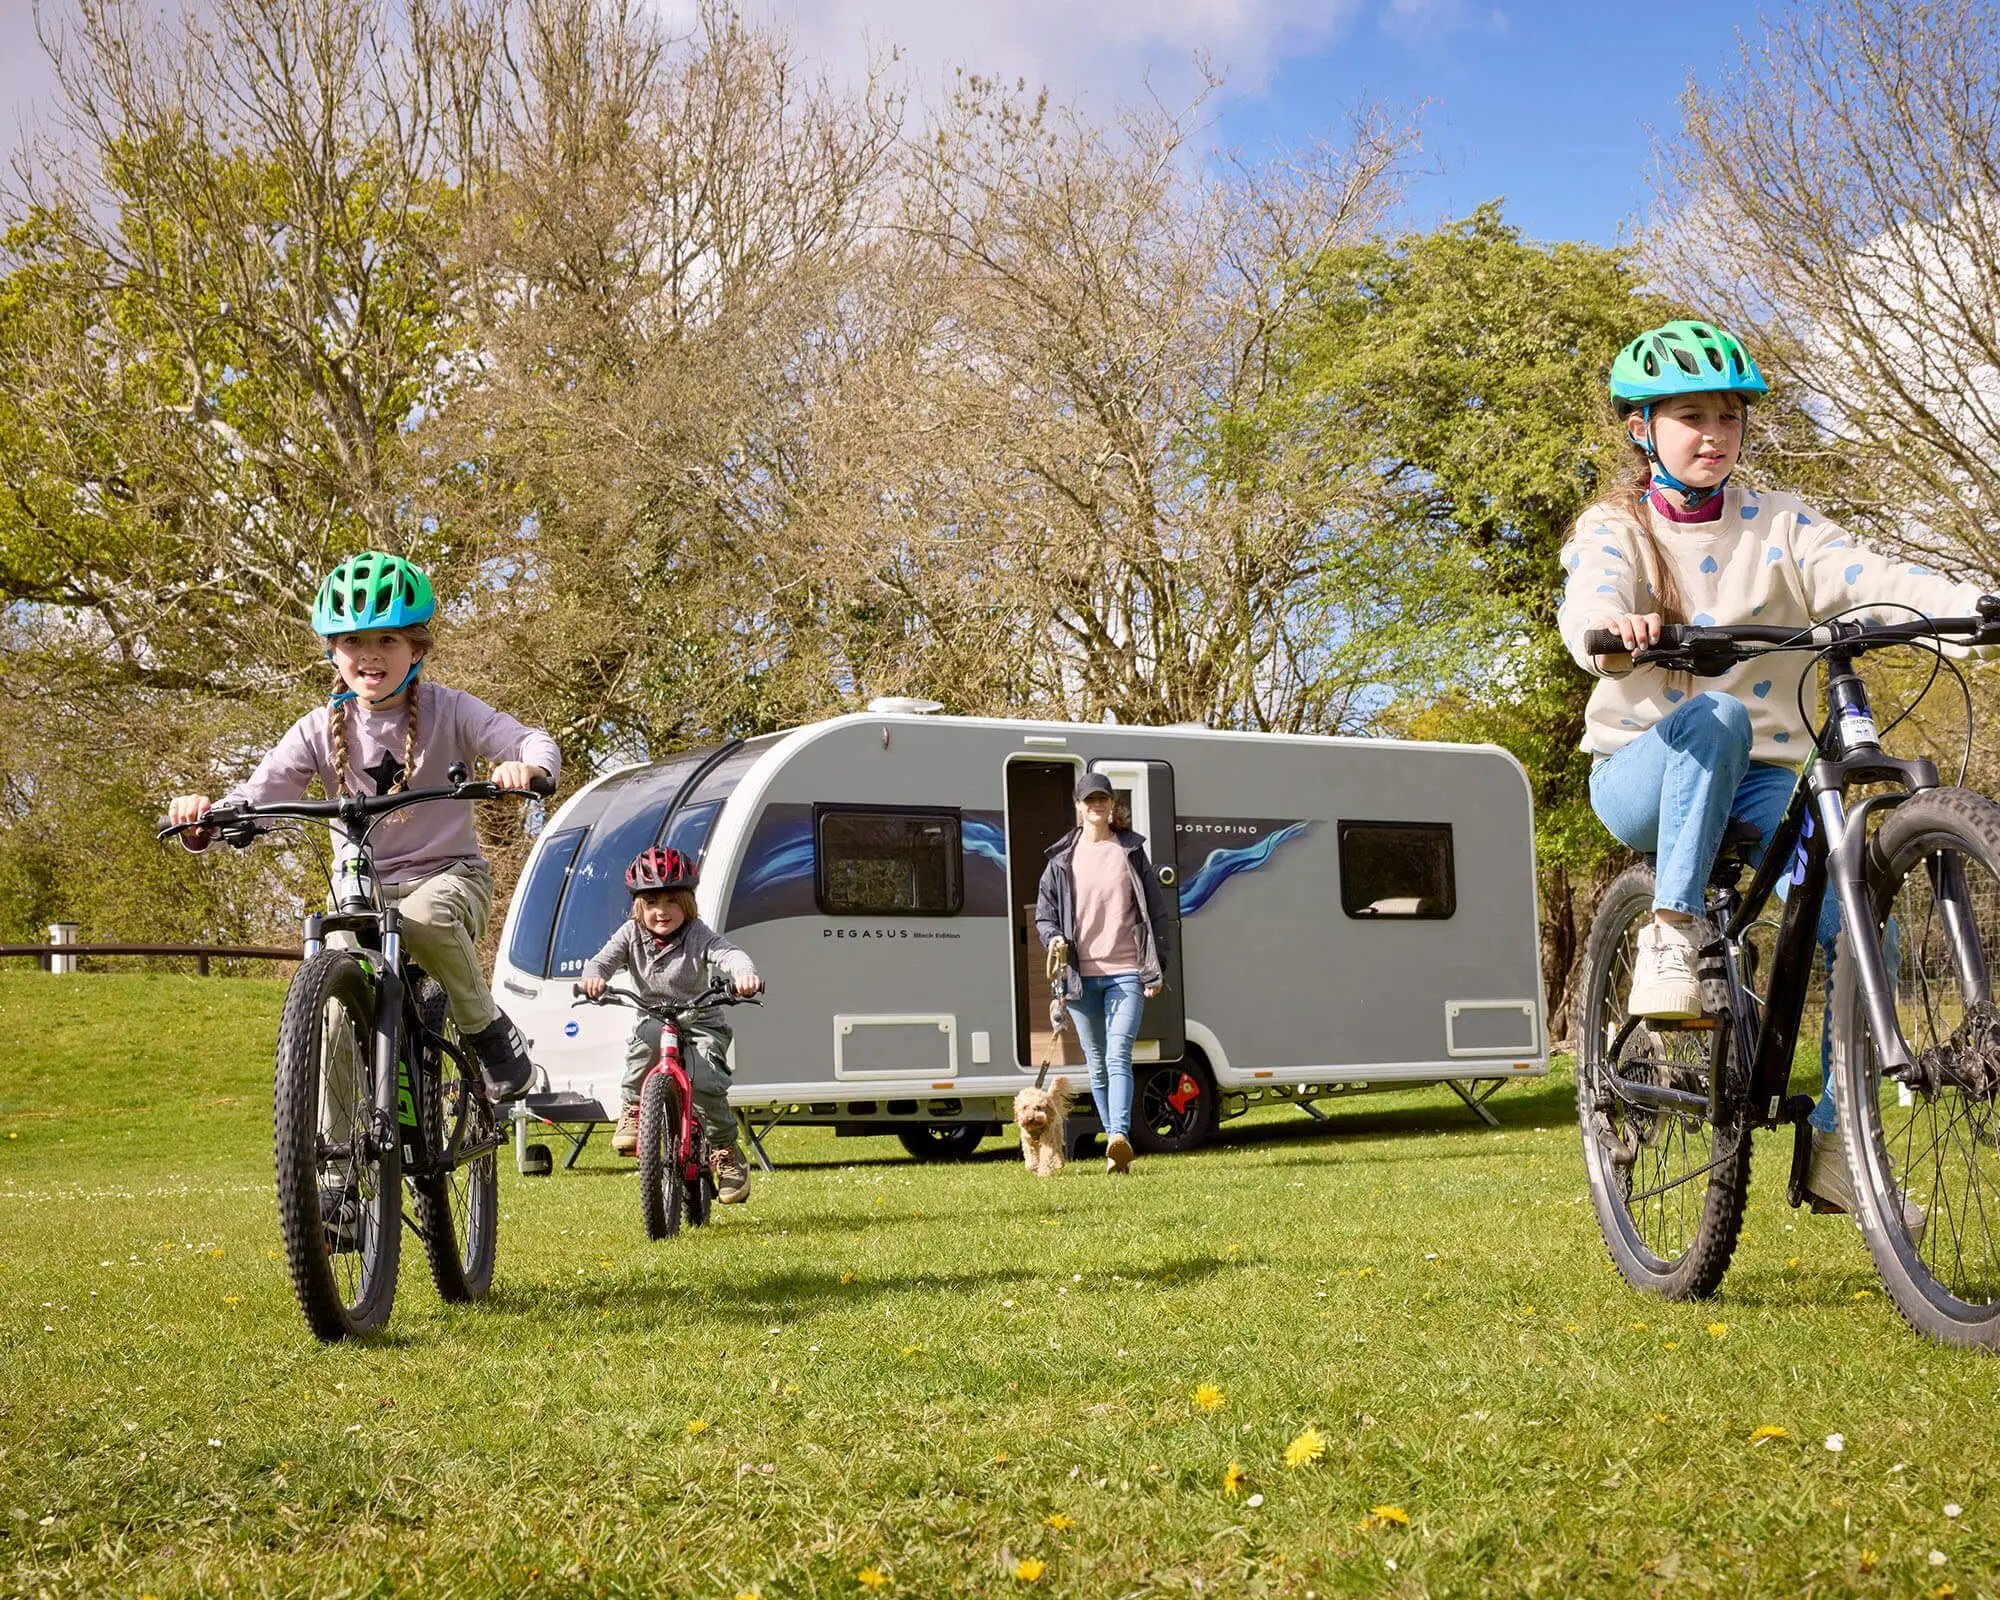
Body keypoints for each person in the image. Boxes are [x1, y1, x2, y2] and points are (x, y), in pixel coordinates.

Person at [1559, 317, 1993, 1221]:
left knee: (1857, 916)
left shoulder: (1778, 521)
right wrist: (1616, 630)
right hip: (1647, 769)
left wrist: (1970, 605)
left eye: (1728, 416)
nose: (1713, 434)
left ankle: (1840, 1146)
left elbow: (1868, 572)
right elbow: (1590, 597)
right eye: (1689, 416)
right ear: (1643, 428)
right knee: (1712, 715)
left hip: (1760, 780)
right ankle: (1671, 935)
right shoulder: (1619, 527)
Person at [166, 550, 557, 1103]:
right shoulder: (316, 730)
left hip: (449, 879)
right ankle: (331, 1174)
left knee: (423, 917)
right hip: (361, 892)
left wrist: (528, 767)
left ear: (417, 648)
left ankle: (487, 1029)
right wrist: (204, 818)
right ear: (333, 651)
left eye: (387, 641)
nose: (369, 656)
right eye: (352, 642)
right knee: (330, 1009)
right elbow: (258, 794)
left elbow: (529, 740)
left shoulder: (451, 710)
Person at [578, 846, 762, 1204]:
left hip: (700, 1020)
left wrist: (744, 974)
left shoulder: (698, 934)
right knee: (644, 1042)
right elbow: (600, 962)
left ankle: (726, 1152)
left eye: (671, 902)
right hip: (655, 1017)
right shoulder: (629, 934)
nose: (661, 911)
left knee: (707, 1081)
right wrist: (593, 979)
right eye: (651, 903)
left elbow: (729, 954)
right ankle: (633, 1110)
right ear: (639, 908)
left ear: (687, 904)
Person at [1035, 771, 1173, 1175]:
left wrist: (1156, 966)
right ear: (1078, 807)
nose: (1098, 805)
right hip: (1079, 977)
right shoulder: (1062, 859)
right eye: (1090, 799)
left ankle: (1119, 1139)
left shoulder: (1129, 851)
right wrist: (1055, 938)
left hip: (1126, 970)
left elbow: (1155, 912)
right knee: (1096, 1064)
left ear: (1112, 805)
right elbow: (1045, 915)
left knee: (1118, 1056)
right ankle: (1117, 1143)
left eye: (1104, 799)